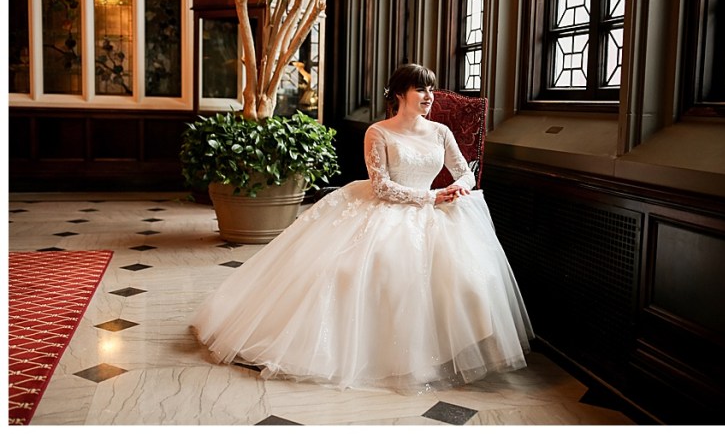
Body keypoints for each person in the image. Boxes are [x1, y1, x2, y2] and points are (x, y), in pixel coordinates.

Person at [191, 63, 533, 392]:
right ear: (399, 94)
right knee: (363, 271)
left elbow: (465, 169)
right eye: (420, 88)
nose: (429, 95)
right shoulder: (378, 132)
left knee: (464, 276)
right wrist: (431, 196)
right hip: (387, 208)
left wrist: (459, 186)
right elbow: (382, 187)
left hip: (437, 209)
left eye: (431, 88)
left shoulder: (440, 132)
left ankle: (448, 352)